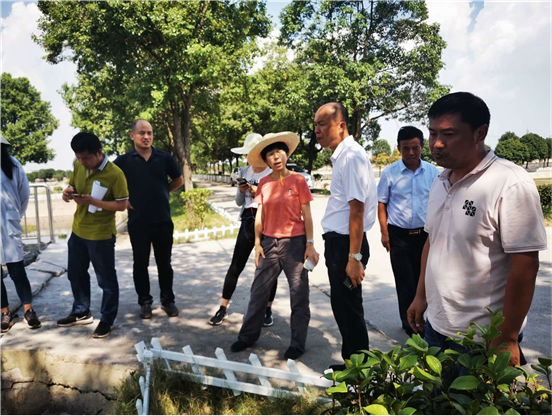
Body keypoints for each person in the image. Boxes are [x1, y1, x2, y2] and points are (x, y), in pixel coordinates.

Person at [407, 92, 547, 367]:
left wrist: (507, 336)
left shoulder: (509, 182)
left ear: (479, 133)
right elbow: (432, 242)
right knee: (439, 394)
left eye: (448, 134)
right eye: (432, 133)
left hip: (483, 336)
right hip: (437, 327)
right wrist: (420, 296)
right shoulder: (440, 181)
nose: (436, 143)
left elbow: (525, 264)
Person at [230, 132, 318, 360]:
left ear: (286, 154)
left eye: (279, 152)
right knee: (258, 292)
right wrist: (258, 243)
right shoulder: (264, 184)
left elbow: (307, 216)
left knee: (299, 295)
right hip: (268, 244)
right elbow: (260, 215)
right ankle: (247, 336)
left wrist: (310, 245)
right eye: (270, 154)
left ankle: (297, 343)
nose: (276, 157)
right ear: (266, 160)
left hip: (295, 244)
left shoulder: (298, 181)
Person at [315, 103, 377, 370]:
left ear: (341, 126)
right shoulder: (344, 156)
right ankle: (354, 364)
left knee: (348, 309)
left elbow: (357, 210)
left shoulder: (350, 157)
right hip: (342, 244)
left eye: (322, 124)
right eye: (315, 125)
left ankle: (360, 372)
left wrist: (354, 257)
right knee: (344, 307)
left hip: (346, 246)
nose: (317, 130)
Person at [57, 132, 129, 339]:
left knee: (106, 280)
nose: (82, 162)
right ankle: (81, 312)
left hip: (101, 235)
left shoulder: (115, 174)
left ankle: (107, 319)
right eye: (78, 158)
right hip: (78, 230)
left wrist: (93, 202)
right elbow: (73, 184)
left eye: (86, 158)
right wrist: (68, 191)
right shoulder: (79, 165)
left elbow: (122, 204)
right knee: (75, 273)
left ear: (99, 152)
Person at [114, 120, 183, 319]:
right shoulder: (123, 161)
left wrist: (163, 192)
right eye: (142, 133)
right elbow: (109, 182)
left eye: (149, 133)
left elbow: (178, 179)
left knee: (165, 263)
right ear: (132, 136)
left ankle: (167, 301)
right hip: (138, 222)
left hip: (162, 220)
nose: (146, 137)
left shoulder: (164, 158)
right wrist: (124, 200)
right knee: (140, 264)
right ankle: (145, 302)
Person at [209, 133, 277, 327]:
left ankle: (267, 309)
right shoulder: (245, 171)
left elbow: (275, 203)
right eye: (246, 154)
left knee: (267, 268)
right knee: (235, 265)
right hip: (247, 220)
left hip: (267, 221)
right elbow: (239, 202)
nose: (248, 157)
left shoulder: (271, 173)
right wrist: (241, 191)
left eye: (251, 153)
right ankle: (223, 307)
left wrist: (259, 193)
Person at [377, 126, 439, 336]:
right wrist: (384, 233)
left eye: (415, 148)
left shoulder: (433, 173)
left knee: (426, 281)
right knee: (405, 283)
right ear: (398, 148)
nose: (411, 153)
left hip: (425, 236)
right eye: (406, 149)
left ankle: (427, 320)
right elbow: (382, 203)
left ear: (422, 146)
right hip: (399, 236)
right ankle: (409, 324)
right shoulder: (390, 173)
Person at [0, 134, 41, 333]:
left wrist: (15, 215)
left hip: (9, 224)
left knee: (17, 270)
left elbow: (24, 195)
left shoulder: (13, 165)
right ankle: (4, 312)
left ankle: (28, 310)